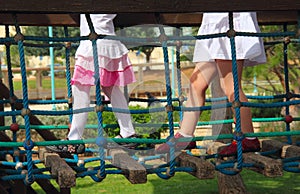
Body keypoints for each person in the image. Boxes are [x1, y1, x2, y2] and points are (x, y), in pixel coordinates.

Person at [156, 12, 266, 156]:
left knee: (231, 86)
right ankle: (185, 135)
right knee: (196, 84)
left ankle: (248, 137)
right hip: (213, 25)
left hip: (228, 24)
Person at [47, 14, 137, 154]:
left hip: (94, 43)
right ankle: (128, 133)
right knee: (110, 88)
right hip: (109, 41)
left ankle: (74, 140)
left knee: (80, 88)